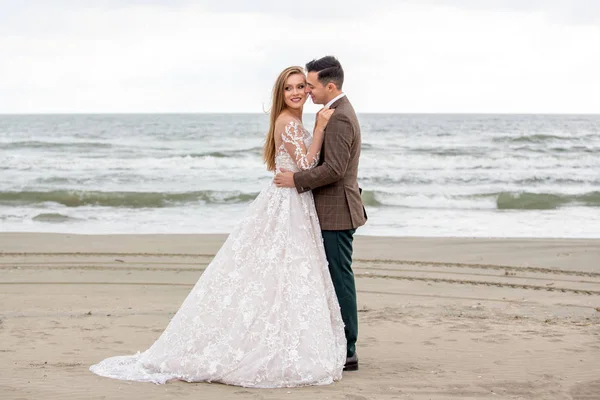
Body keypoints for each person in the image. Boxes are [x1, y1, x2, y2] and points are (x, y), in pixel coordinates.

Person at [89, 66, 346, 388]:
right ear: (280, 94)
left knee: (278, 273)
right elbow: (307, 166)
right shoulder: (288, 122)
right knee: (279, 271)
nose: (296, 93)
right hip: (288, 204)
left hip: (291, 201)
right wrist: (321, 128)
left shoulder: (290, 121)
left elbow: (300, 166)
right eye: (288, 88)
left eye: (300, 87)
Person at [275, 56, 367, 372]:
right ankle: (336, 342)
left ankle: (349, 349)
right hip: (327, 210)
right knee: (331, 277)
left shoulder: (339, 118)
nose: (308, 92)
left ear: (330, 86)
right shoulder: (333, 113)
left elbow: (335, 169)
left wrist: (295, 180)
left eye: (310, 85)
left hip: (336, 211)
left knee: (340, 278)